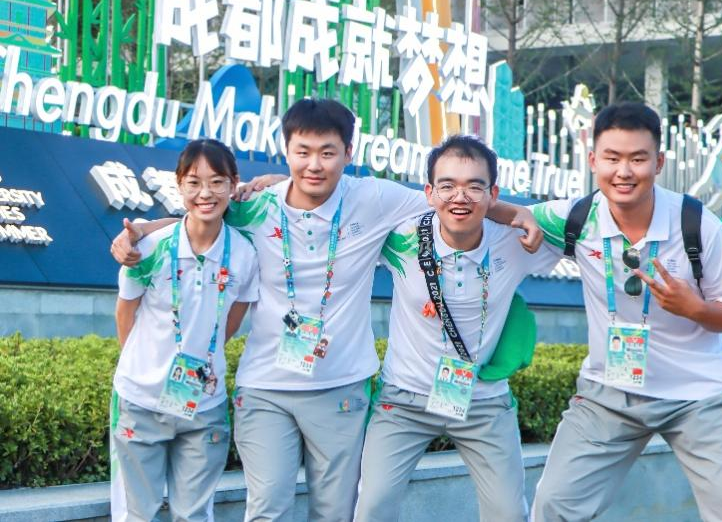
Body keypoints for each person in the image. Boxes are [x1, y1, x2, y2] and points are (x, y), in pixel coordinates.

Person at [110, 98, 543, 522]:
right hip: (265, 387)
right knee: (267, 510)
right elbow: (198, 218)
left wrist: (515, 213)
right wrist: (141, 230)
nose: (314, 164)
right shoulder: (256, 204)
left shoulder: (374, 198)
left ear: (348, 153)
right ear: (286, 151)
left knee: (335, 513)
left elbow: (453, 201)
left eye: (327, 152)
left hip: (341, 387)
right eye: (303, 152)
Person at [529, 102, 722, 521]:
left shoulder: (698, 224)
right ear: (593, 160)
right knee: (553, 506)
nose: (624, 171)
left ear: (658, 162)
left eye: (638, 159)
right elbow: (507, 214)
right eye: (612, 158)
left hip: (698, 393)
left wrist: (694, 308)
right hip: (609, 392)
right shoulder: (576, 217)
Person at [354, 135, 559, 522]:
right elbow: (333, 198)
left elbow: (593, 213)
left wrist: (521, 214)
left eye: (474, 186)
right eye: (447, 186)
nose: (459, 197)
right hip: (404, 400)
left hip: (484, 403)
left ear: (493, 193)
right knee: (371, 508)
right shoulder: (400, 236)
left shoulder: (516, 240)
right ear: (429, 192)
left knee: (508, 514)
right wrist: (277, 184)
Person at [111, 139, 260, 522]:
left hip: (204, 405)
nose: (205, 193)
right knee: (138, 514)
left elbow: (231, 321)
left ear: (233, 184)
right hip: (141, 402)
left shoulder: (244, 253)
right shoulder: (149, 247)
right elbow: (125, 313)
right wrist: (145, 367)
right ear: (179, 185)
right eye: (194, 182)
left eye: (217, 182)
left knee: (193, 514)